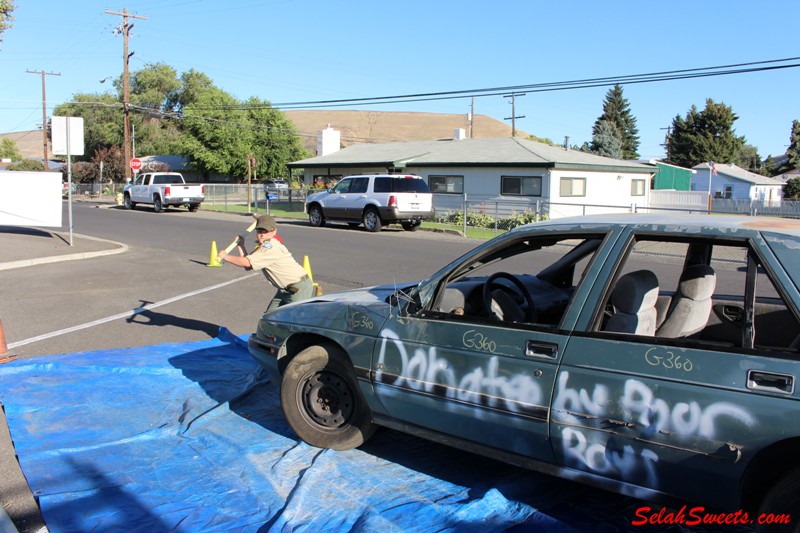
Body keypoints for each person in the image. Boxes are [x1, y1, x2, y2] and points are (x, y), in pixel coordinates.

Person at [218, 215, 312, 311]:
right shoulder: (264, 246)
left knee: (292, 321)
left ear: (274, 232)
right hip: (285, 289)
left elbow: (247, 263)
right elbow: (248, 265)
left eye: (265, 232)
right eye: (259, 231)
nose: (262, 235)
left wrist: (225, 256)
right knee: (269, 318)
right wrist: (241, 245)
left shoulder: (270, 247)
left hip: (298, 288)